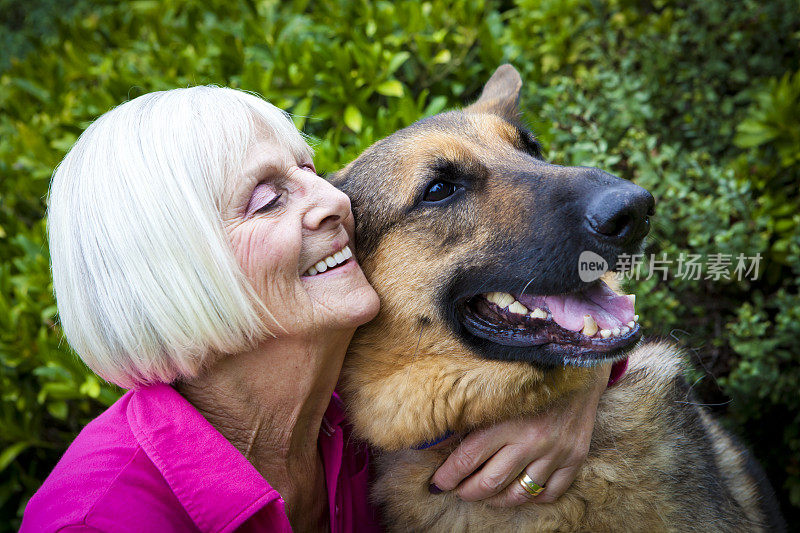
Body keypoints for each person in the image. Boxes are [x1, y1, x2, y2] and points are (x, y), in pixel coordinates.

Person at [21, 87, 614, 532]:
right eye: (269, 199)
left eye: (306, 169)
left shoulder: (350, 391)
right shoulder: (97, 519)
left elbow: (559, 314)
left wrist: (569, 396)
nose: (335, 198)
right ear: (173, 277)